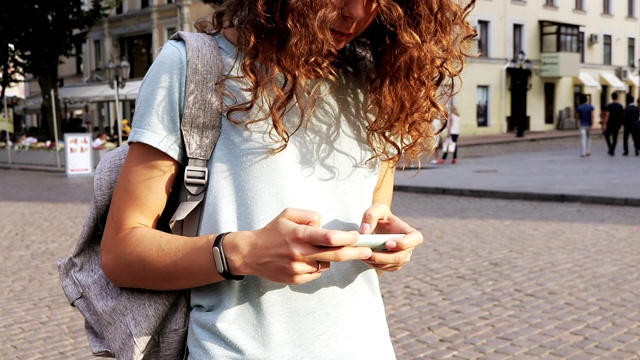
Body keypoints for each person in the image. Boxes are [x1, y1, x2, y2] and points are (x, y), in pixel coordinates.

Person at [100, 1, 475, 358]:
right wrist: (243, 252)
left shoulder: (378, 81)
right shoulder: (193, 66)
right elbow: (121, 254)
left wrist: (388, 244)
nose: (357, 12)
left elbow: (375, 212)